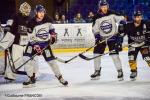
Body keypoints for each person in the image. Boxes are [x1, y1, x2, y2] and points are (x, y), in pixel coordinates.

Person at [23, 5, 68, 87]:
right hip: (33, 44)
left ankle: (60, 77)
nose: (42, 14)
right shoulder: (30, 22)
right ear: (36, 12)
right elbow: (30, 36)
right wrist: (36, 46)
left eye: (43, 12)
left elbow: (51, 29)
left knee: (52, 62)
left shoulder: (48, 19)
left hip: (45, 44)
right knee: (26, 58)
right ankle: (31, 77)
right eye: (40, 12)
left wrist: (53, 35)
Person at [91, 0, 125, 81]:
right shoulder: (97, 17)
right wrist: (97, 37)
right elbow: (94, 29)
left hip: (113, 38)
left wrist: (121, 24)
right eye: (102, 7)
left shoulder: (112, 13)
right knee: (96, 54)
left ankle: (120, 71)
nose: (104, 8)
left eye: (105, 6)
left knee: (114, 55)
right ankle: (97, 71)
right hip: (102, 39)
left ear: (108, 6)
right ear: (100, 7)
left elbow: (122, 19)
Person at [3, 2, 32, 81]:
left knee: (31, 59)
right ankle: (9, 75)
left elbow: (32, 29)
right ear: (21, 9)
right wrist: (8, 27)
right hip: (16, 42)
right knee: (16, 60)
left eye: (27, 9)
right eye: (24, 9)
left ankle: (33, 73)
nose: (26, 10)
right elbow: (9, 23)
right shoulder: (15, 16)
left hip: (26, 42)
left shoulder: (30, 18)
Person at [120, 10, 150, 80]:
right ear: (134, 18)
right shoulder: (129, 25)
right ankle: (133, 71)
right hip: (133, 44)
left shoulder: (147, 23)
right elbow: (121, 35)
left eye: (140, 17)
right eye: (137, 17)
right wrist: (119, 43)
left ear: (141, 17)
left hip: (143, 44)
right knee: (131, 58)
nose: (138, 18)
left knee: (147, 57)